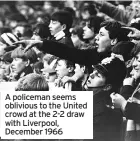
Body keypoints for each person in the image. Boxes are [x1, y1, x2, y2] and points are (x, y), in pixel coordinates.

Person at [13, 20, 130, 66]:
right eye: (97, 34)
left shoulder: (122, 61)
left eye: (102, 35)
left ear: (114, 40)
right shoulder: (96, 53)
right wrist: (40, 43)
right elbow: (69, 52)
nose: (96, 38)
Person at [85, 53, 127, 141]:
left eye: (98, 75)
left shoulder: (106, 113)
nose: (91, 75)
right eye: (94, 71)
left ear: (107, 87)